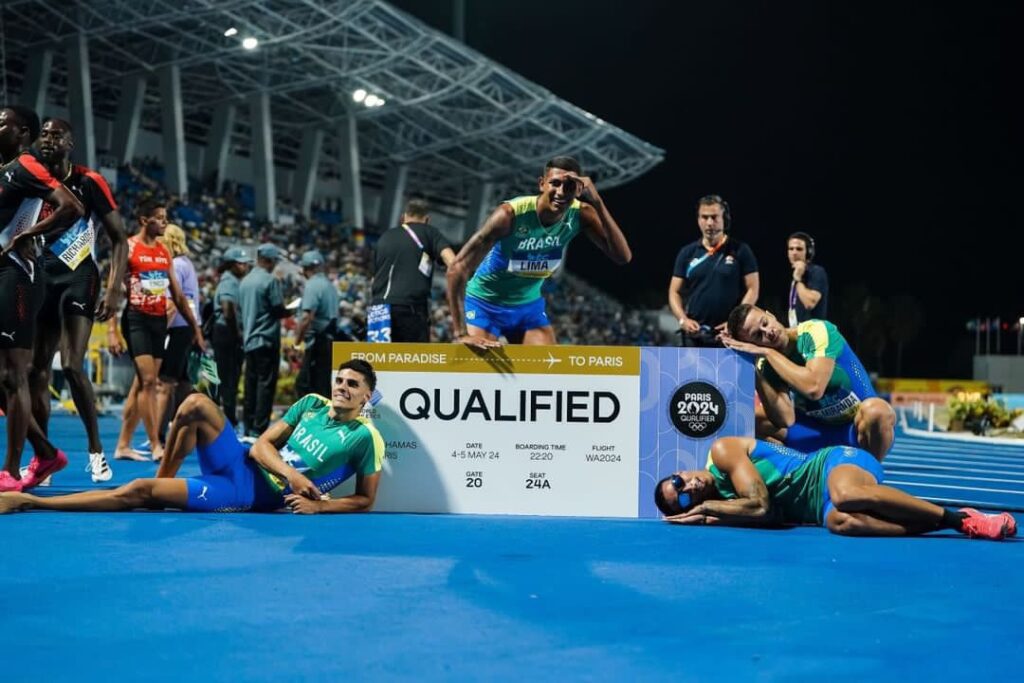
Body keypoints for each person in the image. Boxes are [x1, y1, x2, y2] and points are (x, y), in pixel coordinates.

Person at [0, 359, 384, 515]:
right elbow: (264, 444)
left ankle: (28, 501)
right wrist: (293, 475)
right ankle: (164, 482)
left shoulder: (365, 438)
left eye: (353, 384)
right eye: (340, 380)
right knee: (196, 402)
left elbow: (365, 499)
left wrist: (318, 506)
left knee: (136, 488)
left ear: (367, 394)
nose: (342, 387)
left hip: (247, 493)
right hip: (241, 460)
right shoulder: (311, 403)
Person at [653, 436, 1017, 540]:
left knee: (846, 495)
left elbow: (761, 506)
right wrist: (711, 513)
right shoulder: (723, 508)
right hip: (818, 509)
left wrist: (709, 510)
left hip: (833, 464)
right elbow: (770, 517)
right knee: (843, 523)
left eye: (677, 480)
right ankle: (937, 524)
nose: (688, 486)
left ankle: (958, 520)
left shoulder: (722, 453)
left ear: (680, 470)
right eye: (682, 497)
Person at [29, 117, 128, 483]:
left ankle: (96, 452)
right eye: (44, 134)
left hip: (80, 277)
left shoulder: (89, 181)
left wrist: (115, 289)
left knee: (71, 365)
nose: (49, 139)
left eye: (57, 135)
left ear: (71, 142)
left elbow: (119, 237)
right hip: (41, 278)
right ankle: (44, 461)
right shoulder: (33, 180)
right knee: (35, 370)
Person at [446, 156, 631, 348]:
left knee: (547, 369)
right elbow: (457, 268)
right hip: (485, 303)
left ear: (578, 189)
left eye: (569, 186)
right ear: (542, 184)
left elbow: (622, 256)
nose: (561, 192)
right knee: (479, 366)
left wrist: (598, 201)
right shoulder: (509, 215)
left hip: (528, 308)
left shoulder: (582, 214)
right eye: (555, 183)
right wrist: (460, 333)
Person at [0, 105, 83, 492]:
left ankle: (12, 472)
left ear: (23, 133)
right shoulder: (5, 169)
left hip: (16, 276)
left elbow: (72, 207)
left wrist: (26, 235)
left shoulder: (28, 165)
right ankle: (47, 452)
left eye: (3, 124)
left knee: (12, 375)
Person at [722, 303, 896, 461]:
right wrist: (753, 369)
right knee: (751, 420)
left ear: (771, 314)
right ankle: (794, 469)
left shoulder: (815, 332)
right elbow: (785, 419)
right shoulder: (766, 365)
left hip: (859, 429)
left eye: (765, 322)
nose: (768, 332)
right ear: (752, 345)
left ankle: (871, 468)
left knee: (877, 411)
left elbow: (814, 387)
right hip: (817, 434)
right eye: (758, 335)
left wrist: (768, 352)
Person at [111, 201, 205, 463]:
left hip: (158, 321)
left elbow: (177, 294)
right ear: (144, 220)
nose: (165, 222)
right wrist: (110, 330)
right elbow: (114, 288)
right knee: (150, 382)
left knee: (141, 384)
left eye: (166, 218)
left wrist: (196, 329)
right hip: (136, 318)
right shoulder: (128, 247)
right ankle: (155, 444)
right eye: (160, 218)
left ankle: (123, 445)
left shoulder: (164, 253)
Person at [668, 195, 759, 347]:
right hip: (694, 334)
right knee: (692, 372)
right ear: (698, 220)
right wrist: (683, 319)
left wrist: (736, 322)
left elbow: (753, 289)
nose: (709, 223)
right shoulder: (687, 253)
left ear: (725, 219)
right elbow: (674, 292)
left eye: (715, 217)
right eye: (705, 217)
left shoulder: (741, 250)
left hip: (729, 334)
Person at [368, 198, 455, 343]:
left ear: (403, 217)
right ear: (427, 219)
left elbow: (373, 279)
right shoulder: (430, 233)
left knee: (378, 361)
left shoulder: (384, 237)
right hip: (410, 309)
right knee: (412, 363)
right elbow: (453, 262)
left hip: (378, 310)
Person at [154, 224, 201, 439]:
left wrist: (158, 332)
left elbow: (172, 303)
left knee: (165, 383)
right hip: (187, 329)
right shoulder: (187, 264)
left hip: (177, 328)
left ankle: (158, 436)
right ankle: (185, 431)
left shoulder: (175, 265)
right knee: (183, 382)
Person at [239, 243, 290, 438]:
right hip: (266, 339)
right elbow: (278, 310)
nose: (275, 265)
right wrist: (291, 310)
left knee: (250, 386)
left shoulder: (245, 281)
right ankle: (258, 430)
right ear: (268, 260)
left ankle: (247, 427)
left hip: (250, 340)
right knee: (265, 387)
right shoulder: (270, 281)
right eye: (275, 261)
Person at [211, 246, 252, 427]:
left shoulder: (232, 280)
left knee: (229, 378)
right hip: (227, 332)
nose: (245, 267)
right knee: (228, 379)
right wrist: (237, 335)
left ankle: (227, 417)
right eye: (240, 263)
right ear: (231, 265)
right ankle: (228, 419)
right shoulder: (229, 282)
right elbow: (228, 310)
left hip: (225, 331)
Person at [294, 249, 339, 398]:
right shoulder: (330, 285)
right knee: (323, 385)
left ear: (305, 269)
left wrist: (297, 342)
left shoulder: (313, 285)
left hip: (318, 342)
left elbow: (307, 317)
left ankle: (312, 421)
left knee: (305, 385)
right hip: (330, 341)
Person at [786, 231, 828, 325]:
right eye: (791, 249)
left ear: (809, 252)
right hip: (799, 332)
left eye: (799, 249)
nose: (794, 253)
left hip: (815, 334)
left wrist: (798, 279)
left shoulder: (817, 272)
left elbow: (809, 303)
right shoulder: (795, 275)